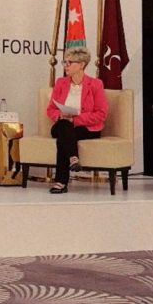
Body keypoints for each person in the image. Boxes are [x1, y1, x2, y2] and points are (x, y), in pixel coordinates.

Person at [46, 47, 108, 194]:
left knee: (63, 139)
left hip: (87, 128)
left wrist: (75, 120)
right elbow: (50, 110)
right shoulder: (60, 83)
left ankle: (61, 182)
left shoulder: (96, 84)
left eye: (69, 62)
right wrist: (61, 115)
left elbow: (101, 114)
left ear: (81, 64)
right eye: (64, 62)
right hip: (61, 124)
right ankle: (73, 157)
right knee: (64, 126)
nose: (65, 66)